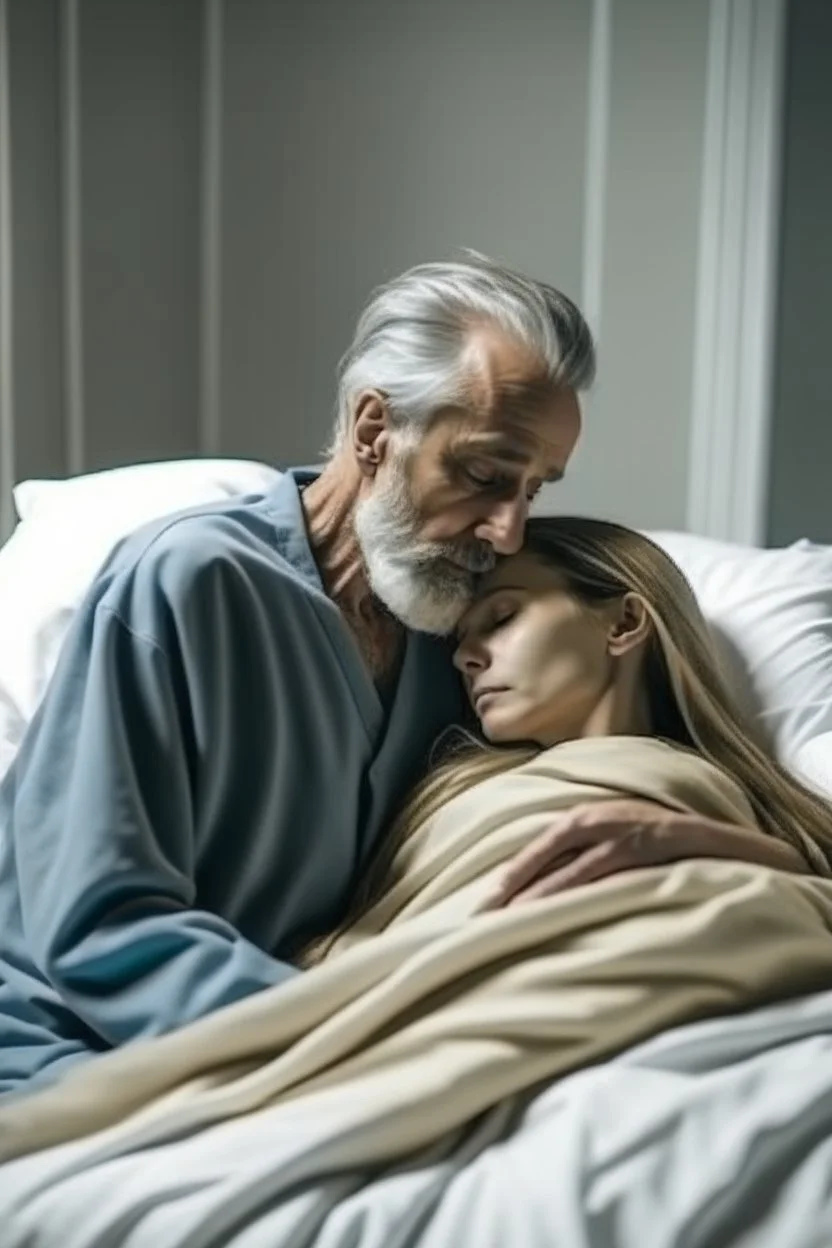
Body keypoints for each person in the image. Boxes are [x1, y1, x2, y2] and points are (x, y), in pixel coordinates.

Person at [0, 255, 806, 1097]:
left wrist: (703, 841)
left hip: (321, 1044)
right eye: (486, 475)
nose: (507, 530)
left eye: (534, 490)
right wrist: (369, 1035)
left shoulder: (451, 628)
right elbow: (102, 927)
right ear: (375, 430)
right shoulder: (191, 582)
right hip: (80, 1045)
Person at [306, 516, 832, 963]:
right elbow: (360, 948)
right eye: (462, 638)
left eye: (502, 617)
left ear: (624, 622)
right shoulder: (447, 788)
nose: (465, 658)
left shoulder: (719, 803)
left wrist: (748, 857)